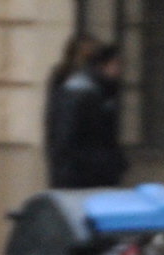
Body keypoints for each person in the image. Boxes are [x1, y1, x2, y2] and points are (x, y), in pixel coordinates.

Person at [46, 36, 125, 189]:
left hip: (84, 172)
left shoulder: (99, 90)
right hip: (80, 175)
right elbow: (66, 138)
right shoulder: (77, 90)